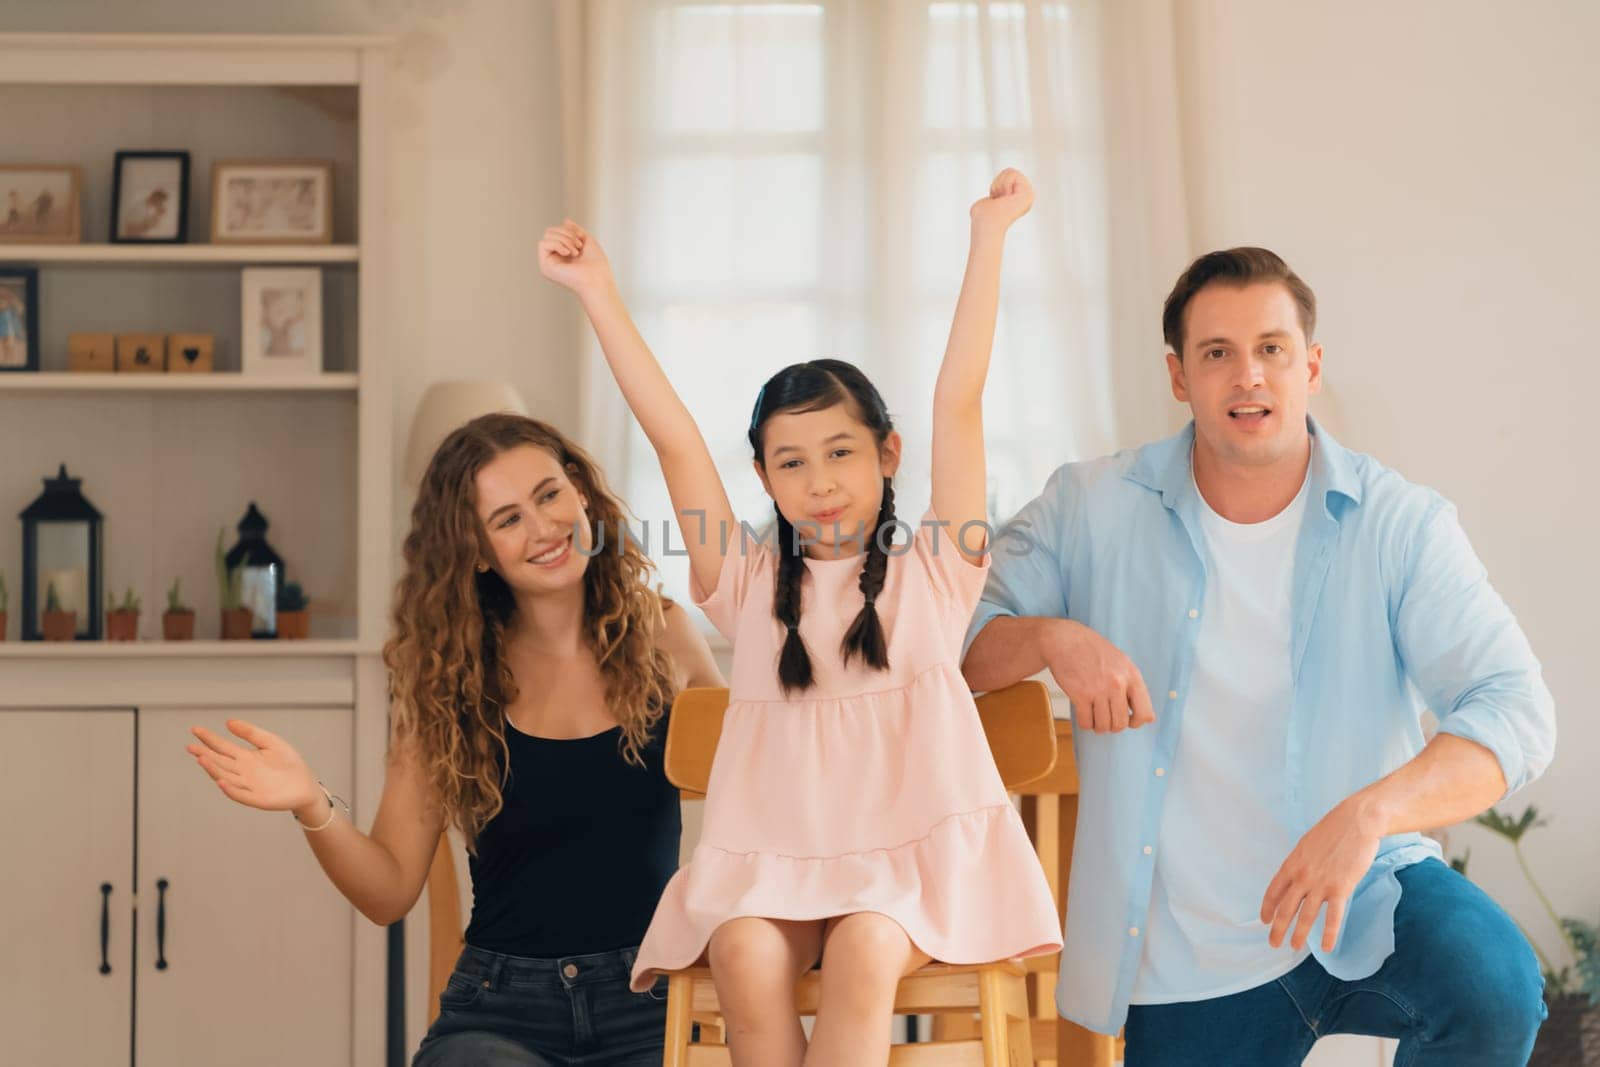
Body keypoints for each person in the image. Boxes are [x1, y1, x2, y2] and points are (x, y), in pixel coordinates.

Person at [961, 247, 1556, 1065]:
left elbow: (1515, 710)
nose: (1250, 376)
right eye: (1218, 353)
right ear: (1178, 376)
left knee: (1492, 985)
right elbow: (953, 639)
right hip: (1186, 962)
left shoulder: (1400, 522)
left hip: (1365, 898)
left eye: (1272, 349)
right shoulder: (1087, 507)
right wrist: (1051, 637)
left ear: (1309, 366)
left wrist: (1369, 813)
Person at [538, 167, 1062, 1067]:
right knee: (741, 947)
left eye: (840, 452)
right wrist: (598, 292)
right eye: (789, 463)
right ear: (765, 479)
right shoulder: (744, 582)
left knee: (863, 948)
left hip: (906, 874)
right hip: (774, 867)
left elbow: (960, 403)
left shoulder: (935, 569)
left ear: (886, 453)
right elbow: (672, 438)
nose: (818, 482)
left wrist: (989, 239)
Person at [188, 413, 723, 1066]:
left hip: (654, 998)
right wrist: (310, 802)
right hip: (502, 1011)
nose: (544, 527)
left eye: (549, 494)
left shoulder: (665, 637)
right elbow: (388, 890)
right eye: (507, 519)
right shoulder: (448, 677)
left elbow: (752, 806)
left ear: (581, 491)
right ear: (475, 550)